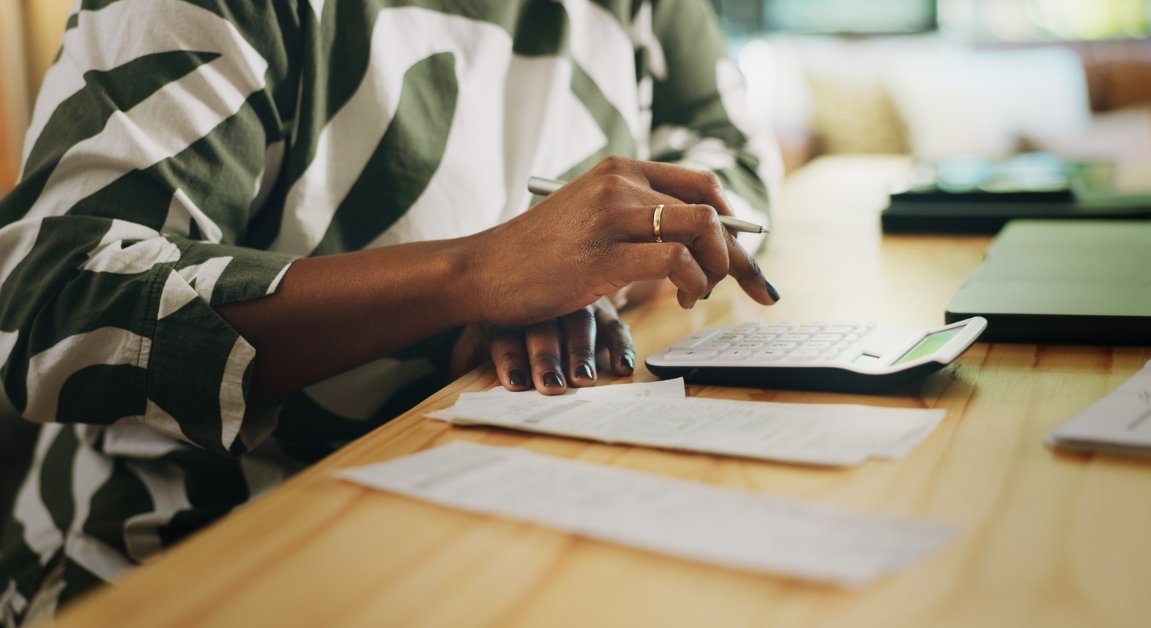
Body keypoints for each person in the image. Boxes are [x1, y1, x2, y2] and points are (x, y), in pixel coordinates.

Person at [0, 0, 782, 623]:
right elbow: (49, 307)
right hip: (197, 562)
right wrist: (472, 275)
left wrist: (590, 272)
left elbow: (732, 152)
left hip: (501, 533)